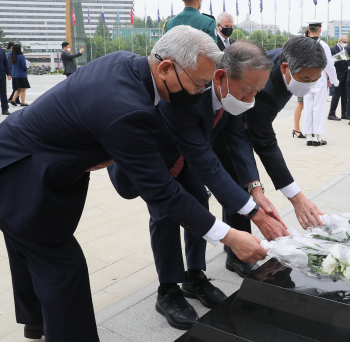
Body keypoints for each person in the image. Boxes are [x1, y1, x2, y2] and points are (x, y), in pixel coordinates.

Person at [0, 25, 267, 342]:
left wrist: (105, 147)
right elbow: (161, 190)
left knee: (26, 246)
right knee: (63, 269)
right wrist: (228, 235)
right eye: (199, 84)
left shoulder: (125, 63)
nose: (201, 92)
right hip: (14, 176)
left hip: (16, 160)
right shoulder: (127, 109)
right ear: (166, 67)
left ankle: (37, 322)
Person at [108, 41, 287, 329]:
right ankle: (167, 289)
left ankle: (194, 276)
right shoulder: (189, 93)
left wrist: (254, 188)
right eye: (248, 90)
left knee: (199, 206)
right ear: (220, 78)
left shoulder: (231, 97)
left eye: (258, 91)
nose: (251, 99)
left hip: (186, 158)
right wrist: (254, 213)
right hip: (155, 159)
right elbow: (207, 164)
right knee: (166, 213)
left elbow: (238, 140)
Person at [213, 36, 328, 273]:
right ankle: (237, 253)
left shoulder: (284, 59)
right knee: (237, 181)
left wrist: (257, 188)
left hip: (237, 125)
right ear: (285, 68)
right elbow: (262, 140)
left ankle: (238, 245)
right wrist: (292, 196)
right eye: (305, 79)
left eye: (315, 80)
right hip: (219, 128)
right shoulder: (265, 89)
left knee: (245, 186)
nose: (309, 86)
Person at [302, 20, 339, 146]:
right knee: (319, 109)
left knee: (308, 108)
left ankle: (308, 136)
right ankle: (317, 137)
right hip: (319, 80)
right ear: (319, 30)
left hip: (305, 81)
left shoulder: (303, 44)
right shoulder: (323, 45)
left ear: (309, 29)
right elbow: (329, 65)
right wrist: (334, 81)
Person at [328, 35, 349, 121]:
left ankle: (344, 113)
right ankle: (331, 114)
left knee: (345, 95)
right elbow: (330, 62)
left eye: (346, 42)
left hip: (345, 75)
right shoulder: (333, 50)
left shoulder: (345, 50)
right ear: (339, 41)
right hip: (337, 75)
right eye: (344, 42)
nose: (345, 44)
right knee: (336, 95)